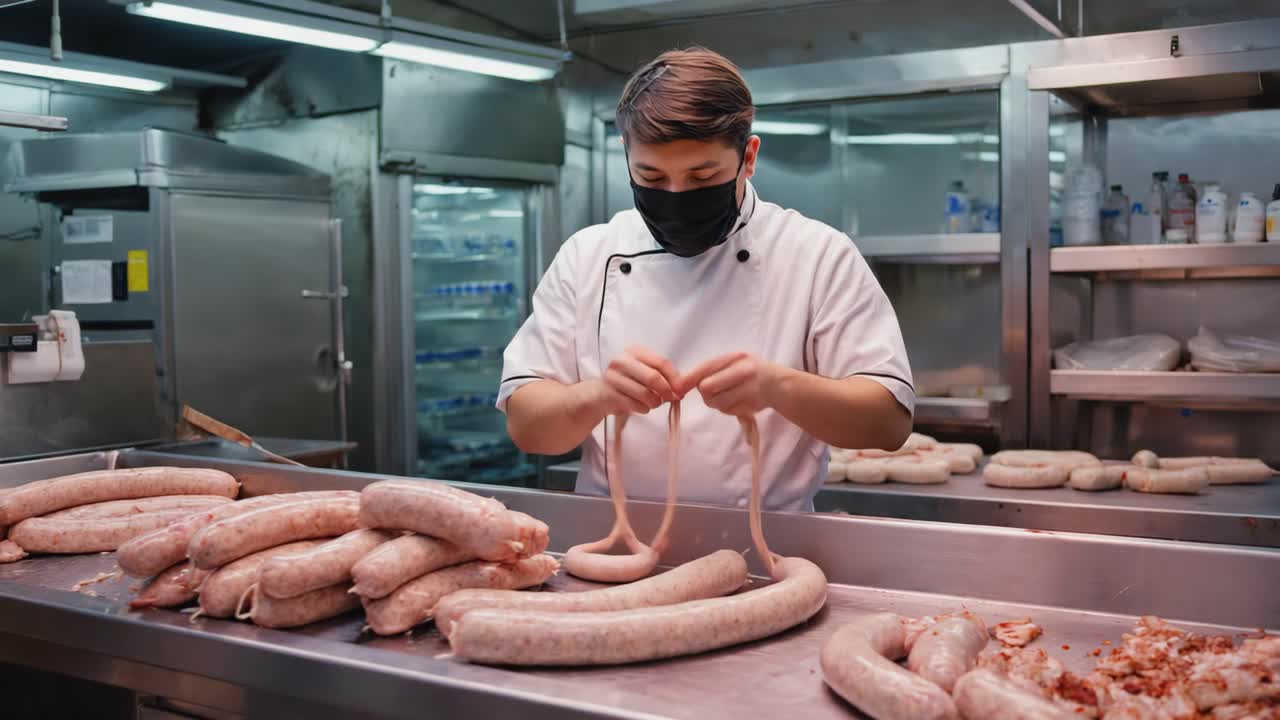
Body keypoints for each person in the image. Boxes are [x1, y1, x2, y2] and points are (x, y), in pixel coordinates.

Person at [497, 47, 913, 512]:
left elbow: (888, 425)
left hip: (771, 550)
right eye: (651, 176)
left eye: (702, 176)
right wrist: (596, 396)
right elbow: (526, 427)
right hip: (614, 549)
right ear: (626, 157)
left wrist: (779, 387)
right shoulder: (588, 256)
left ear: (748, 157)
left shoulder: (815, 254)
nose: (676, 196)